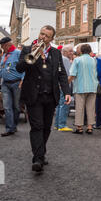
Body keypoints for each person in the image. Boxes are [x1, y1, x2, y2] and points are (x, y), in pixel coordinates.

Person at [16, 26, 71, 173]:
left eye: (46, 36)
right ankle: (38, 159)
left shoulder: (55, 53)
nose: (42, 38)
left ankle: (40, 152)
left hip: (50, 96)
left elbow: (62, 74)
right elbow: (19, 68)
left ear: (51, 39)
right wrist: (34, 56)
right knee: (37, 126)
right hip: (33, 95)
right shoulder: (28, 50)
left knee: (46, 127)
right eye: (41, 34)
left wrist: (66, 91)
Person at [69, 44, 98, 134]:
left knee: (80, 108)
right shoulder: (93, 60)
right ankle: (90, 127)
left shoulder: (77, 60)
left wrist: (66, 83)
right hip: (92, 86)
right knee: (91, 108)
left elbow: (73, 74)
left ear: (81, 51)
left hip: (80, 87)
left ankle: (79, 127)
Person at [0, 37, 23, 137]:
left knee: (17, 107)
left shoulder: (18, 53)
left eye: (2, 46)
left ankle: (14, 125)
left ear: (7, 45)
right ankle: (9, 128)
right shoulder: (4, 54)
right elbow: (2, 69)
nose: (1, 47)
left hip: (16, 83)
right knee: (7, 107)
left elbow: (25, 68)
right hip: (5, 84)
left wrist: (22, 80)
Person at [54, 44, 74, 131]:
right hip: (64, 85)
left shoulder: (60, 59)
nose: (72, 53)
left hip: (59, 85)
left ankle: (57, 124)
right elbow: (68, 74)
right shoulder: (65, 60)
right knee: (64, 104)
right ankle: (62, 125)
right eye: (70, 51)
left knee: (59, 105)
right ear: (65, 52)